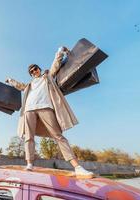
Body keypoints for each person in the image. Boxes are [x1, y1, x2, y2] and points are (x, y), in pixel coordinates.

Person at [6, 47, 94, 178]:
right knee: (29, 137)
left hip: (45, 107)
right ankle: (29, 164)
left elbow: (56, 64)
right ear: (30, 74)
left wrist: (59, 51)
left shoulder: (47, 76)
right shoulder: (29, 85)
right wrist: (10, 80)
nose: (34, 71)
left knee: (58, 135)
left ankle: (77, 167)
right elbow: (20, 86)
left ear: (39, 69)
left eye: (35, 69)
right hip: (29, 110)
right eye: (31, 71)